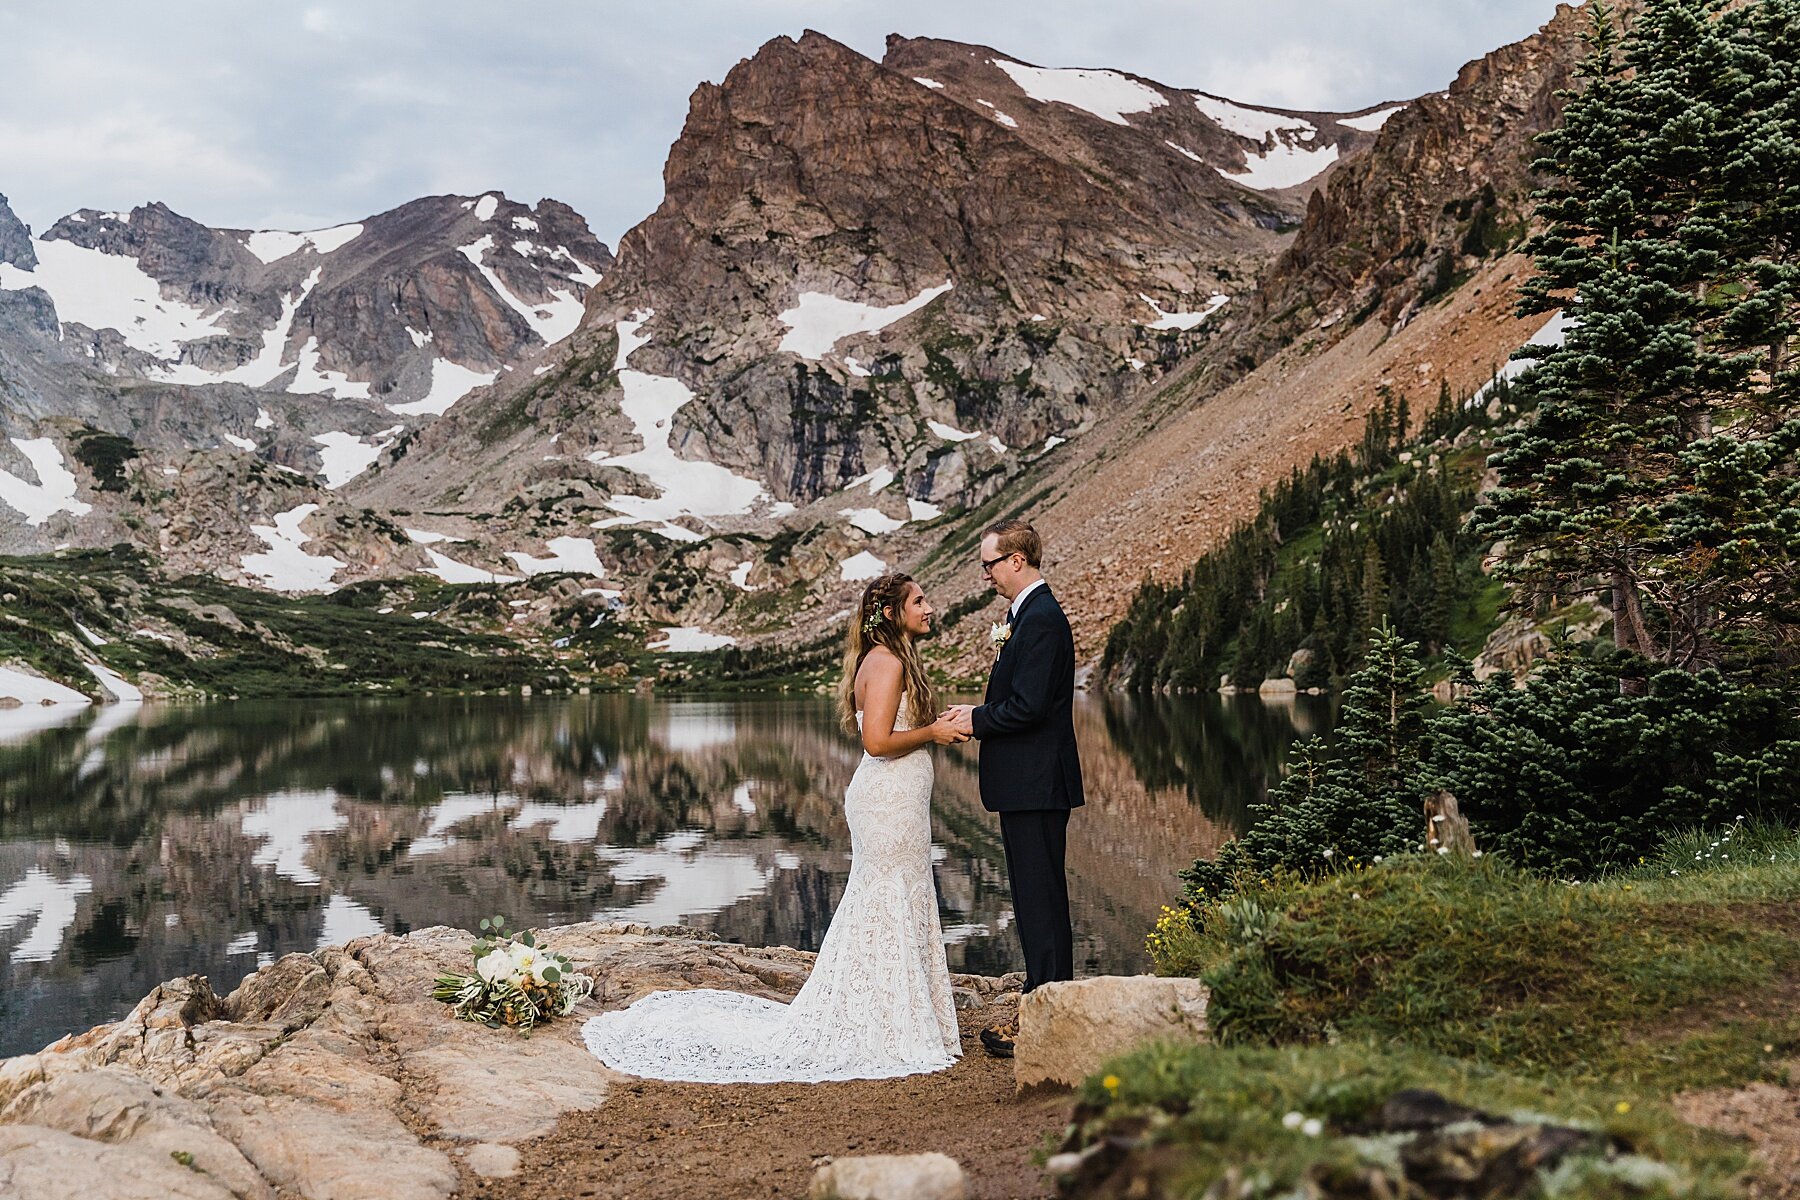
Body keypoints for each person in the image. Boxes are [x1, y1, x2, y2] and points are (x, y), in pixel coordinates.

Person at [581, 572, 969, 1082]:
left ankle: (894, 1010)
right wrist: (933, 733)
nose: (929, 607)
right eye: (919, 600)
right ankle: (887, 1018)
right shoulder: (889, 662)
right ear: (892, 613)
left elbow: (889, 732)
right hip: (888, 798)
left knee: (896, 893)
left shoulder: (884, 660)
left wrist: (928, 729)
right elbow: (876, 742)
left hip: (896, 796)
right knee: (889, 893)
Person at [942, 519, 1083, 1058]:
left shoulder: (1042, 619)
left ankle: (1047, 1015)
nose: (987, 576)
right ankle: (1045, 1005)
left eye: (990, 565)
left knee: (1040, 899)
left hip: (1037, 784)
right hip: (1028, 784)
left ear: (1017, 560)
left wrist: (974, 719)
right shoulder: (1025, 617)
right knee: (1033, 898)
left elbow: (1027, 707)